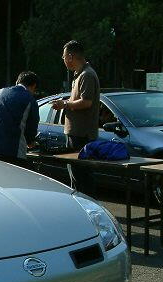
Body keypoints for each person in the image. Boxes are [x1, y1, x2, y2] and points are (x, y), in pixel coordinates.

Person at [51, 41, 100, 192]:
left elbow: (87, 102)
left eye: (64, 56)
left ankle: (85, 204)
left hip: (82, 135)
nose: (63, 59)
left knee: (81, 178)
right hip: (75, 133)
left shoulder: (87, 74)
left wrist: (65, 104)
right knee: (76, 176)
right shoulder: (78, 74)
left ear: (70, 57)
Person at [0, 71, 39, 169]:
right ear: (34, 86)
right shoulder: (30, 99)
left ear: (17, 82)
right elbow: (31, 127)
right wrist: (31, 142)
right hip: (13, 152)